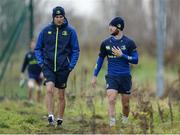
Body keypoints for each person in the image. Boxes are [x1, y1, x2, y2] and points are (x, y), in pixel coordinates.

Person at [35, 6, 80, 127]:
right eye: (57, 17)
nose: (59, 19)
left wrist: (71, 66)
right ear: (53, 18)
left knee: (61, 95)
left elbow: (76, 50)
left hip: (63, 67)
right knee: (49, 89)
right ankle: (50, 117)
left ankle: (60, 119)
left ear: (64, 17)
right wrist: (41, 63)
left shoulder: (71, 31)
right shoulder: (45, 31)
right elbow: (38, 48)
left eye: (61, 17)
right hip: (48, 66)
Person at [91, 17, 139, 127]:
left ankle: (124, 122)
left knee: (126, 104)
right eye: (110, 26)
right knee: (111, 99)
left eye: (112, 26)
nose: (110, 28)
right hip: (112, 76)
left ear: (119, 27)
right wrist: (94, 75)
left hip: (125, 77)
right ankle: (112, 125)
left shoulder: (129, 43)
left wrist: (122, 55)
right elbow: (100, 60)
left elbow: (136, 60)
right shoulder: (105, 43)